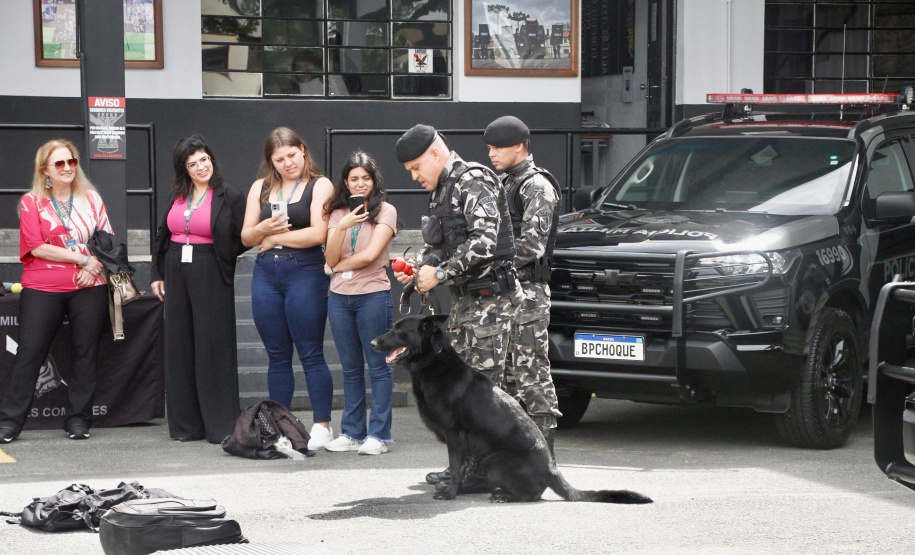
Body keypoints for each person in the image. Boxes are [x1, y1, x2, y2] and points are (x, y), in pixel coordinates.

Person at [393, 124, 521, 489]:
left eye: (417, 167)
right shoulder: (443, 189)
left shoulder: (472, 180)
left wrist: (440, 273)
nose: (415, 177)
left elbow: (484, 242)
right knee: (461, 394)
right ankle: (463, 469)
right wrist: (421, 268)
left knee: (481, 393)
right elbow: (442, 243)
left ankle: (484, 473)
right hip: (467, 302)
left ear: (436, 153)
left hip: (491, 301)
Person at [0, 139, 110, 443]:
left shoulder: (91, 199)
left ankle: (79, 419)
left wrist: (95, 265)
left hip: (90, 285)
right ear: (45, 170)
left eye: (71, 161)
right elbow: (37, 246)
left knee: (85, 354)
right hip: (43, 285)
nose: (67, 168)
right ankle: (10, 422)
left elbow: (108, 240)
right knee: (30, 352)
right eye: (59, 163)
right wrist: (83, 259)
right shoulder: (31, 202)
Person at [241, 127, 336, 451]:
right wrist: (263, 230)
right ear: (271, 162)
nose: (287, 163)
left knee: (311, 352)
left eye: (291, 155)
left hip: (305, 271)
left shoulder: (319, 184)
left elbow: (318, 234)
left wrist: (273, 237)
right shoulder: (261, 187)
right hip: (266, 274)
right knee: (277, 355)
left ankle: (322, 424)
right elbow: (246, 237)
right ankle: (279, 426)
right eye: (279, 159)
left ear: (303, 150)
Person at [150, 135, 247, 444]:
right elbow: (162, 235)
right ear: (184, 169)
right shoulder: (178, 194)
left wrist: (224, 256)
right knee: (179, 344)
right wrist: (157, 272)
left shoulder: (229, 195)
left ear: (212, 160)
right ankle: (186, 426)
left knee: (212, 344)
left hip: (210, 267)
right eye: (192, 163)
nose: (200, 166)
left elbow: (245, 236)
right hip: (176, 267)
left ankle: (219, 425)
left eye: (204, 159)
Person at [484, 115, 563, 457]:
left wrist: (485, 262)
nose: (491, 154)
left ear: (519, 146)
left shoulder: (536, 185)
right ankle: (512, 458)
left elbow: (532, 246)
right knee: (508, 378)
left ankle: (545, 459)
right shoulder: (505, 183)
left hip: (528, 291)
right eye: (488, 148)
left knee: (531, 373)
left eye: (498, 147)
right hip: (505, 290)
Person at [322, 151, 398, 456]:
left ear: (374, 180)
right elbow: (328, 256)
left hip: (373, 295)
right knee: (351, 368)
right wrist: (341, 228)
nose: (360, 183)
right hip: (339, 298)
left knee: (379, 367)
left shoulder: (385, 211)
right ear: (345, 182)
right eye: (354, 178)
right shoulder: (338, 213)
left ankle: (379, 434)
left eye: (366, 178)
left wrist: (334, 267)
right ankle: (352, 432)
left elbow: (368, 257)